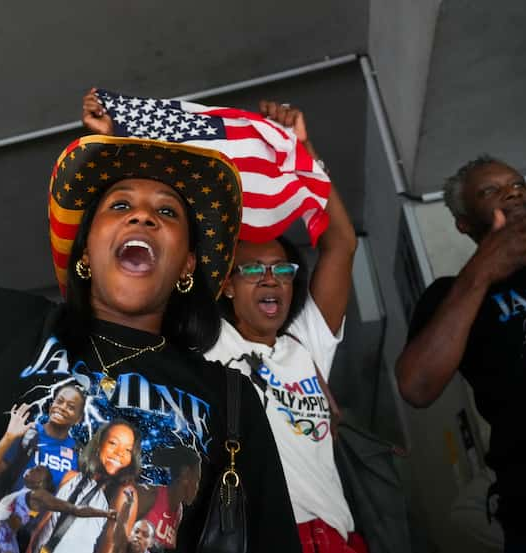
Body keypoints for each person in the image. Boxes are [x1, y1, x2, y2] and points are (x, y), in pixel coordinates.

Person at [0, 94, 300, 553]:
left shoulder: (230, 399)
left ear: (187, 266)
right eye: (119, 206)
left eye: (167, 211)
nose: (142, 215)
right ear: (85, 253)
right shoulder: (13, 326)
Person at [81, 92, 362, 551]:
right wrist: (111, 145)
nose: (269, 280)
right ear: (227, 284)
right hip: (255, 535)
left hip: (333, 538)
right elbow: (150, 272)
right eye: (253, 270)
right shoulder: (207, 349)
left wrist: (302, 155)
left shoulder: (307, 342)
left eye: (281, 270)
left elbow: (341, 244)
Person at [396, 155, 526, 551]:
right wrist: (484, 268)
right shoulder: (449, 296)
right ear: (465, 224)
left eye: (519, 183)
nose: (513, 190)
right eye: (491, 190)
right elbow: (417, 386)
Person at [29, 419, 141, 553]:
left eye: (128, 449)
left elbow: (112, 548)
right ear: (99, 444)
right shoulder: (71, 477)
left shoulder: (124, 494)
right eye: (113, 443)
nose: (119, 453)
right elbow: (43, 524)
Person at [0, 384, 86, 506]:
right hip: (11, 518)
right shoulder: (27, 433)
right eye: (59, 401)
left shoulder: (78, 452)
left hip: (46, 523)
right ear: (51, 406)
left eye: (71, 407)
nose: (62, 407)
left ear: (79, 418)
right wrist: (8, 438)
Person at [0, 465, 115, 553]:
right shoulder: (21, 495)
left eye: (37, 470)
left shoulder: (39, 496)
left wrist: (105, 513)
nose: (33, 468)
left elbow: (77, 510)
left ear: (40, 483)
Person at [135, 445, 201, 550]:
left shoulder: (178, 511)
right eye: (197, 480)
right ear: (186, 474)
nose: (198, 488)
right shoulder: (148, 495)